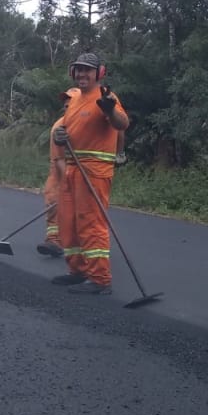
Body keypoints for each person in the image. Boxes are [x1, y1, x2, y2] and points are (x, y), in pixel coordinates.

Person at [50, 52, 130, 295]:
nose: (82, 74)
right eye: (78, 70)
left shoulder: (106, 97)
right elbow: (65, 131)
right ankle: (78, 271)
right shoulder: (74, 100)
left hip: (94, 171)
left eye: (87, 70)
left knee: (91, 223)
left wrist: (110, 110)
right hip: (73, 168)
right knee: (68, 221)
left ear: (99, 73)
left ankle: (100, 279)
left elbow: (122, 124)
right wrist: (58, 136)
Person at [37, 87, 80, 257]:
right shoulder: (58, 127)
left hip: (80, 172)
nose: (67, 108)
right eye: (65, 105)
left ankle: (79, 242)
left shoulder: (87, 126)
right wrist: (68, 182)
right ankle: (53, 240)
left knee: (79, 211)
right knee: (53, 203)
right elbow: (58, 159)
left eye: (71, 104)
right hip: (59, 172)